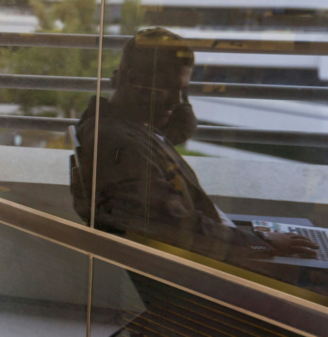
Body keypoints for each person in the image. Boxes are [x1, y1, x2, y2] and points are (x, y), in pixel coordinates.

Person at [69, 28, 318, 264]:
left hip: (220, 240)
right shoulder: (121, 146)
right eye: (169, 87)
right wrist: (260, 243)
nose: (177, 101)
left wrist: (257, 238)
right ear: (133, 79)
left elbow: (180, 128)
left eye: (183, 91)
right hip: (217, 263)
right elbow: (179, 228)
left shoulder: (122, 125)